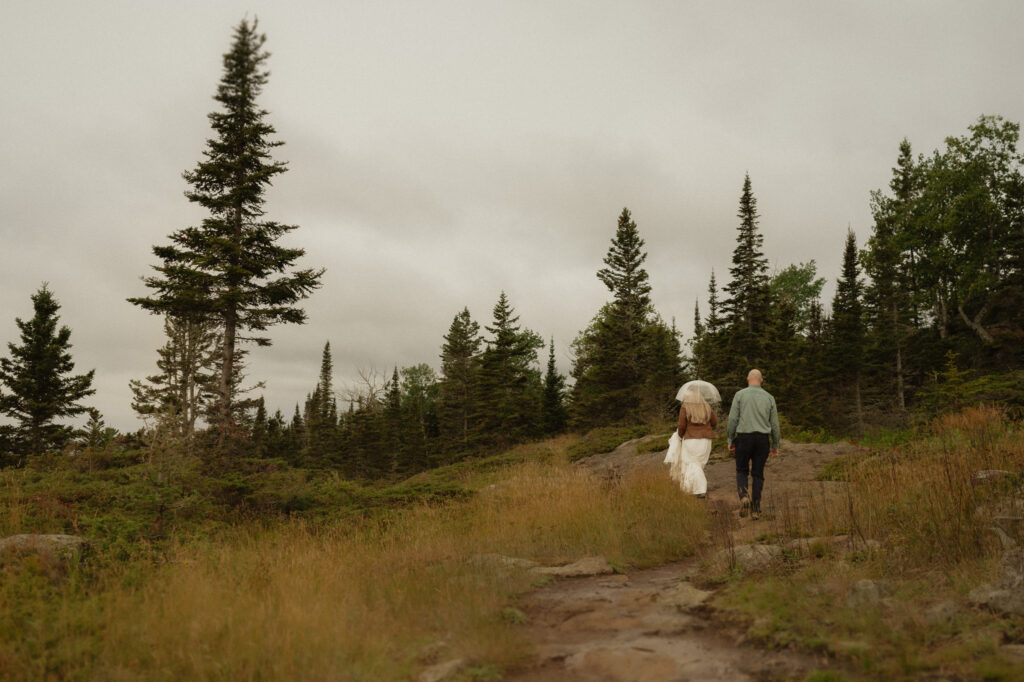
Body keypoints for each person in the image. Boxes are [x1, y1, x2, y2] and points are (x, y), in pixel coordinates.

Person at [727, 369, 780, 520]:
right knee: (758, 474)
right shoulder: (769, 397)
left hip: (744, 438)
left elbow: (732, 419)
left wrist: (730, 439)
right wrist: (775, 445)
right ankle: (755, 509)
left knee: (741, 470)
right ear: (761, 380)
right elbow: (775, 424)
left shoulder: (739, 395)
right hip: (762, 439)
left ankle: (744, 497)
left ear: (747, 379)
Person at [666, 386, 718, 496]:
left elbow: (681, 425)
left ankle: (699, 490)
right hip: (706, 440)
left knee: (692, 463)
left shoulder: (685, 407)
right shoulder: (706, 406)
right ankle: (692, 488)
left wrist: (680, 436)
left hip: (691, 439)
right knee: (698, 464)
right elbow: (714, 422)